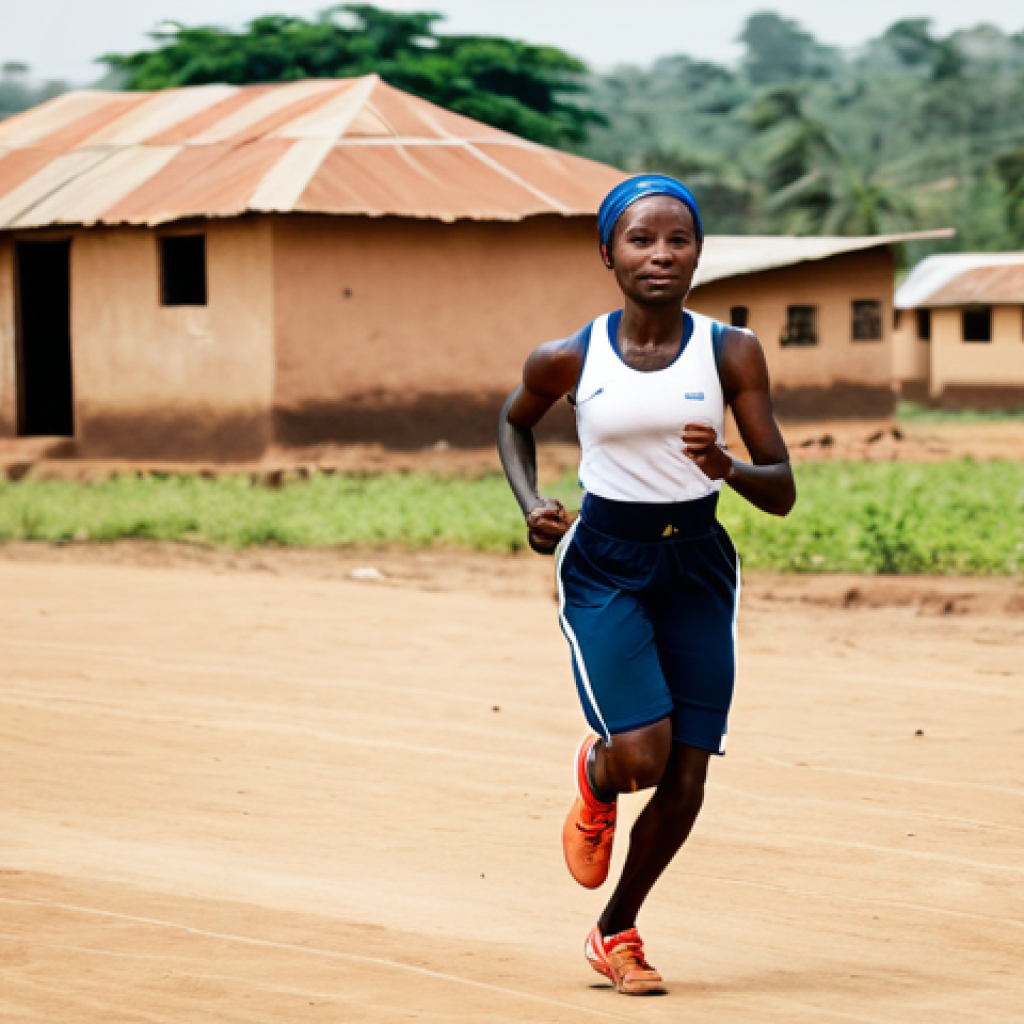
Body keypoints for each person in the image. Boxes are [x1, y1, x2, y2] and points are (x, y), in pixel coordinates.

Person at [497, 174, 796, 996]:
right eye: (641, 240)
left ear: (699, 253)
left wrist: (724, 464)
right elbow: (515, 421)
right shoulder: (571, 355)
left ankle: (615, 931)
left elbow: (781, 489)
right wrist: (533, 506)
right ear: (608, 254)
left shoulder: (731, 350)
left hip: (698, 565)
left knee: (688, 775)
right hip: (604, 563)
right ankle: (598, 777)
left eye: (679, 240)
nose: (662, 254)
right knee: (642, 757)